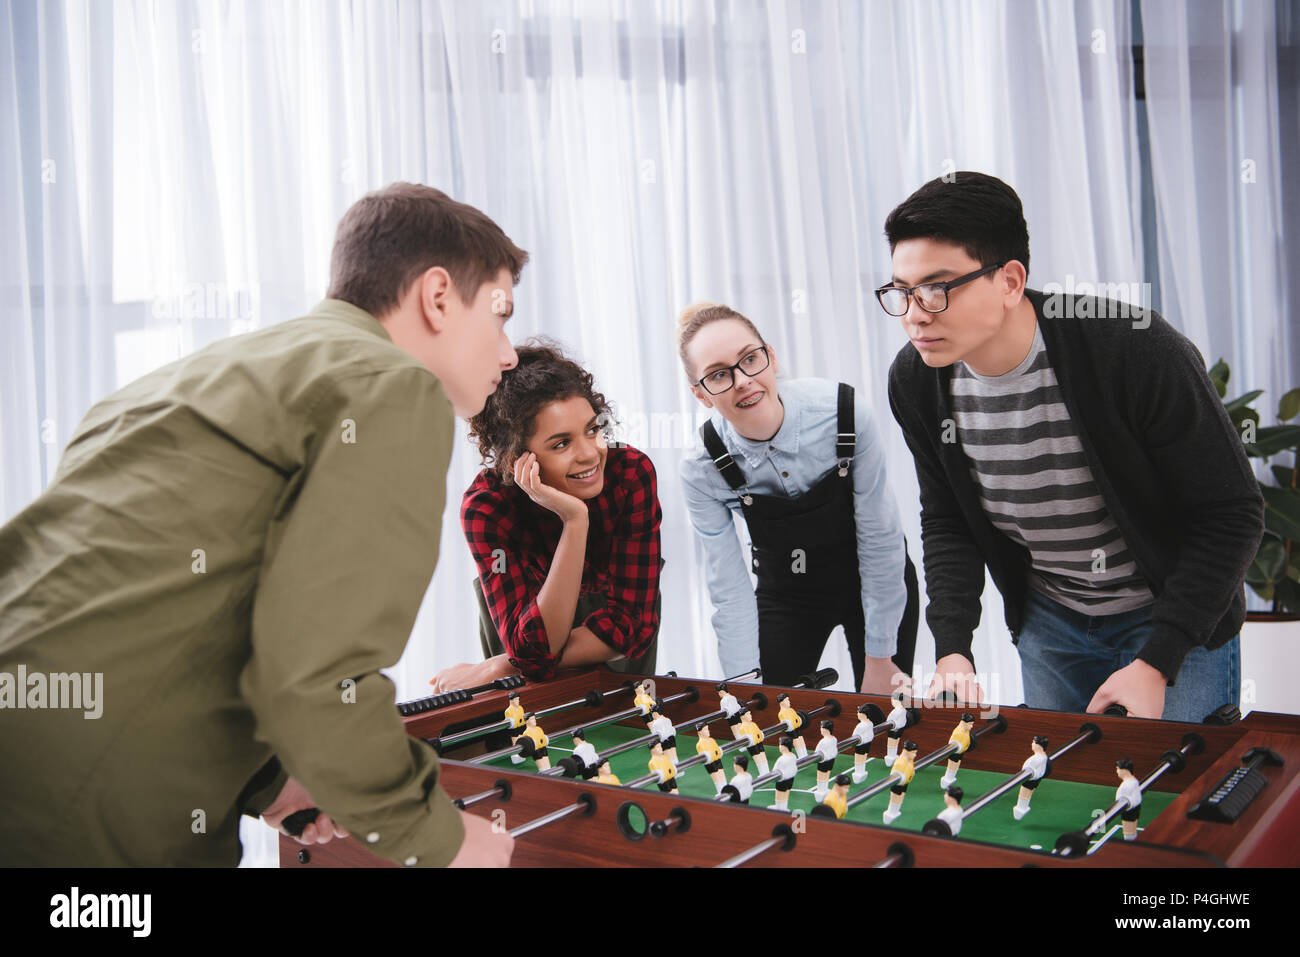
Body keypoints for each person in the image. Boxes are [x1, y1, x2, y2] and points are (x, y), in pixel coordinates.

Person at [0, 183, 522, 866]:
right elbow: (319, 677)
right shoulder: (392, 384)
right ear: (438, 296)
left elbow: (160, 613)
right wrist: (444, 842)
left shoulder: (178, 379)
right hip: (94, 819)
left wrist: (269, 779)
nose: (509, 352)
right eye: (501, 313)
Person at [882, 172, 1263, 721]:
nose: (916, 314)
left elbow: (1233, 512)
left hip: (1172, 617)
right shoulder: (917, 380)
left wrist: (1158, 660)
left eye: (938, 289)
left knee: (1179, 799)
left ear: (1010, 281)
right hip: (1051, 620)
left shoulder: (1131, 346)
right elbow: (949, 520)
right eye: (902, 291)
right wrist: (953, 649)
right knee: (1064, 794)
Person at [676, 302, 919, 692]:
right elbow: (728, 584)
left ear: (770, 357)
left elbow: (881, 536)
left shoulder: (844, 413)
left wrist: (881, 657)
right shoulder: (701, 466)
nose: (741, 381)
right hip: (787, 594)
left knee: (882, 720)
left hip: (872, 577)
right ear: (701, 394)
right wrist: (743, 684)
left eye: (749, 359)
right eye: (719, 375)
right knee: (765, 716)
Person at [429, 342, 662, 691]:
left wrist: (501, 665)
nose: (589, 454)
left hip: (615, 670)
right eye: (560, 444)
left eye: (592, 429)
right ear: (515, 458)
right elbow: (534, 652)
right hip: (529, 678)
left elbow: (632, 627)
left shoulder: (630, 474)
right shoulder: (486, 508)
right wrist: (574, 522)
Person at [1013, 736, 1050, 820]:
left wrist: (1033, 774)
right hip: (1035, 777)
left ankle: (1020, 810)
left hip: (1031, 778)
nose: (1032, 744)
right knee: (1028, 792)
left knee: (1025, 792)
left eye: (1033, 742)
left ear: (1038, 745)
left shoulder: (1035, 759)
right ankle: (1022, 808)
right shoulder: (1044, 757)